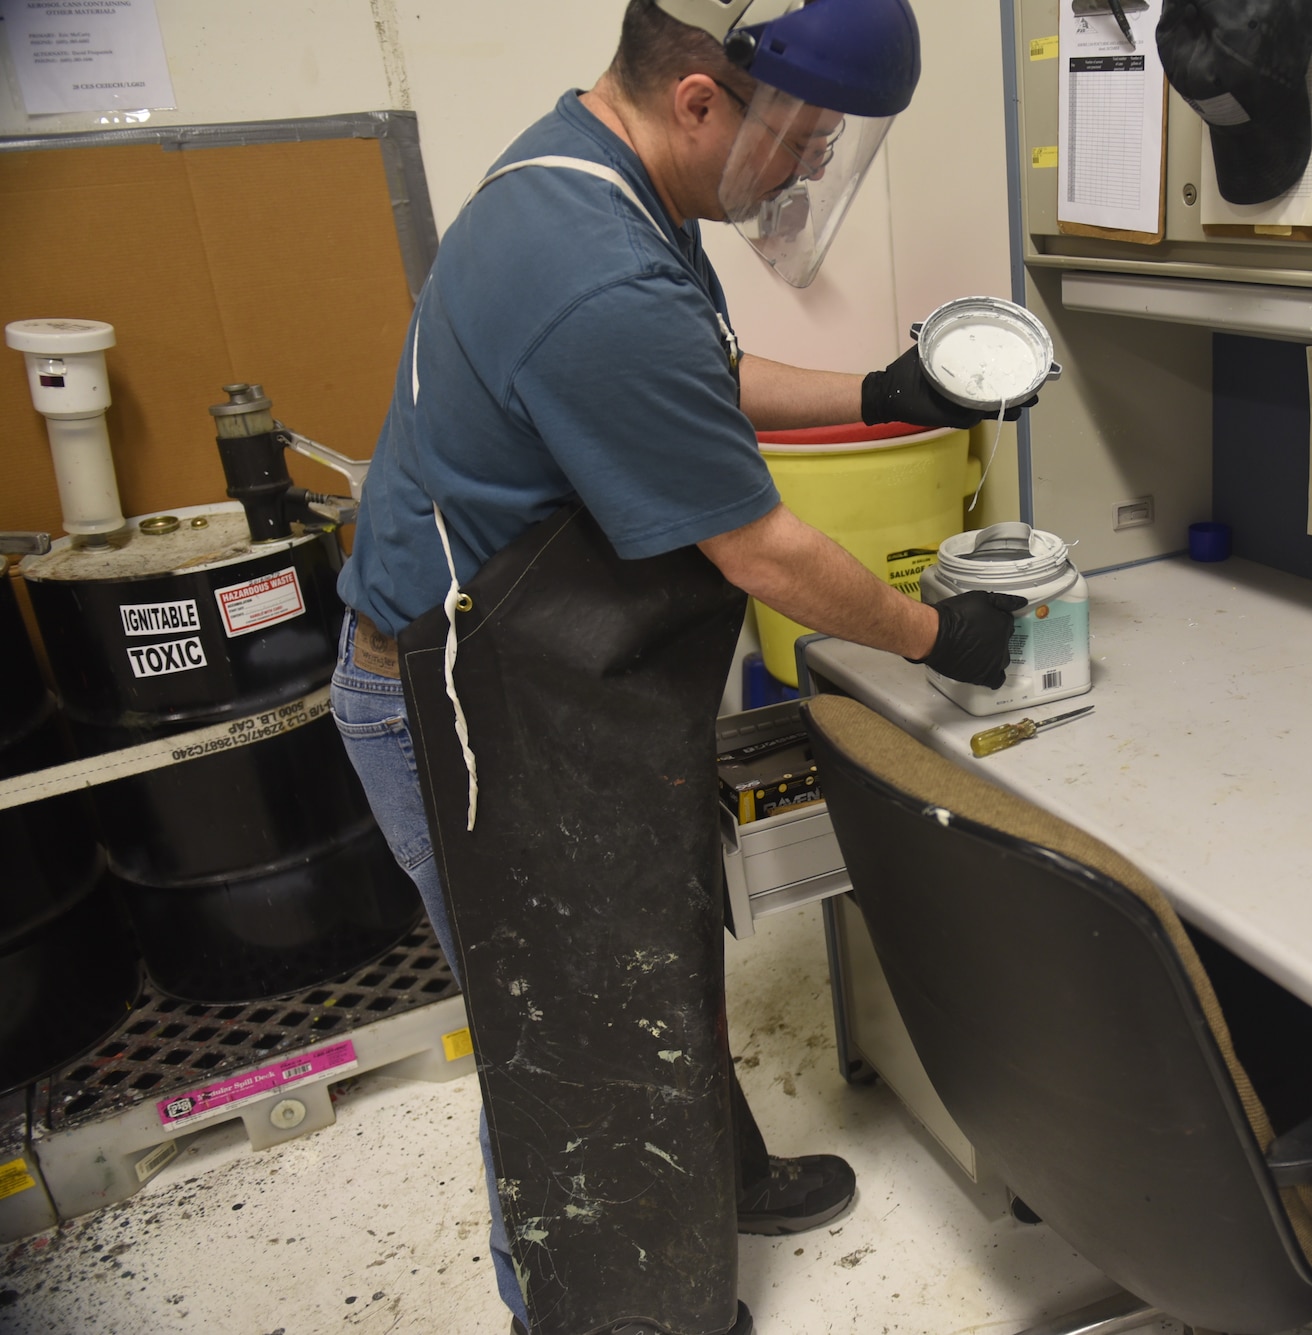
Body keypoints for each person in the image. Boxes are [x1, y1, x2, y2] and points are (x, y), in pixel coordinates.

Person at [329, 2, 1025, 1331]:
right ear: (703, 98)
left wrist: (882, 391)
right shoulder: (590, 270)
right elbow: (762, 550)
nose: (815, 165)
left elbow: (699, 370)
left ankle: (710, 1186)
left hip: (538, 672)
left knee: (645, 943)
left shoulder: (597, 180)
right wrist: (940, 633)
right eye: (808, 136)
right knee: (561, 1045)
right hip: (461, 704)